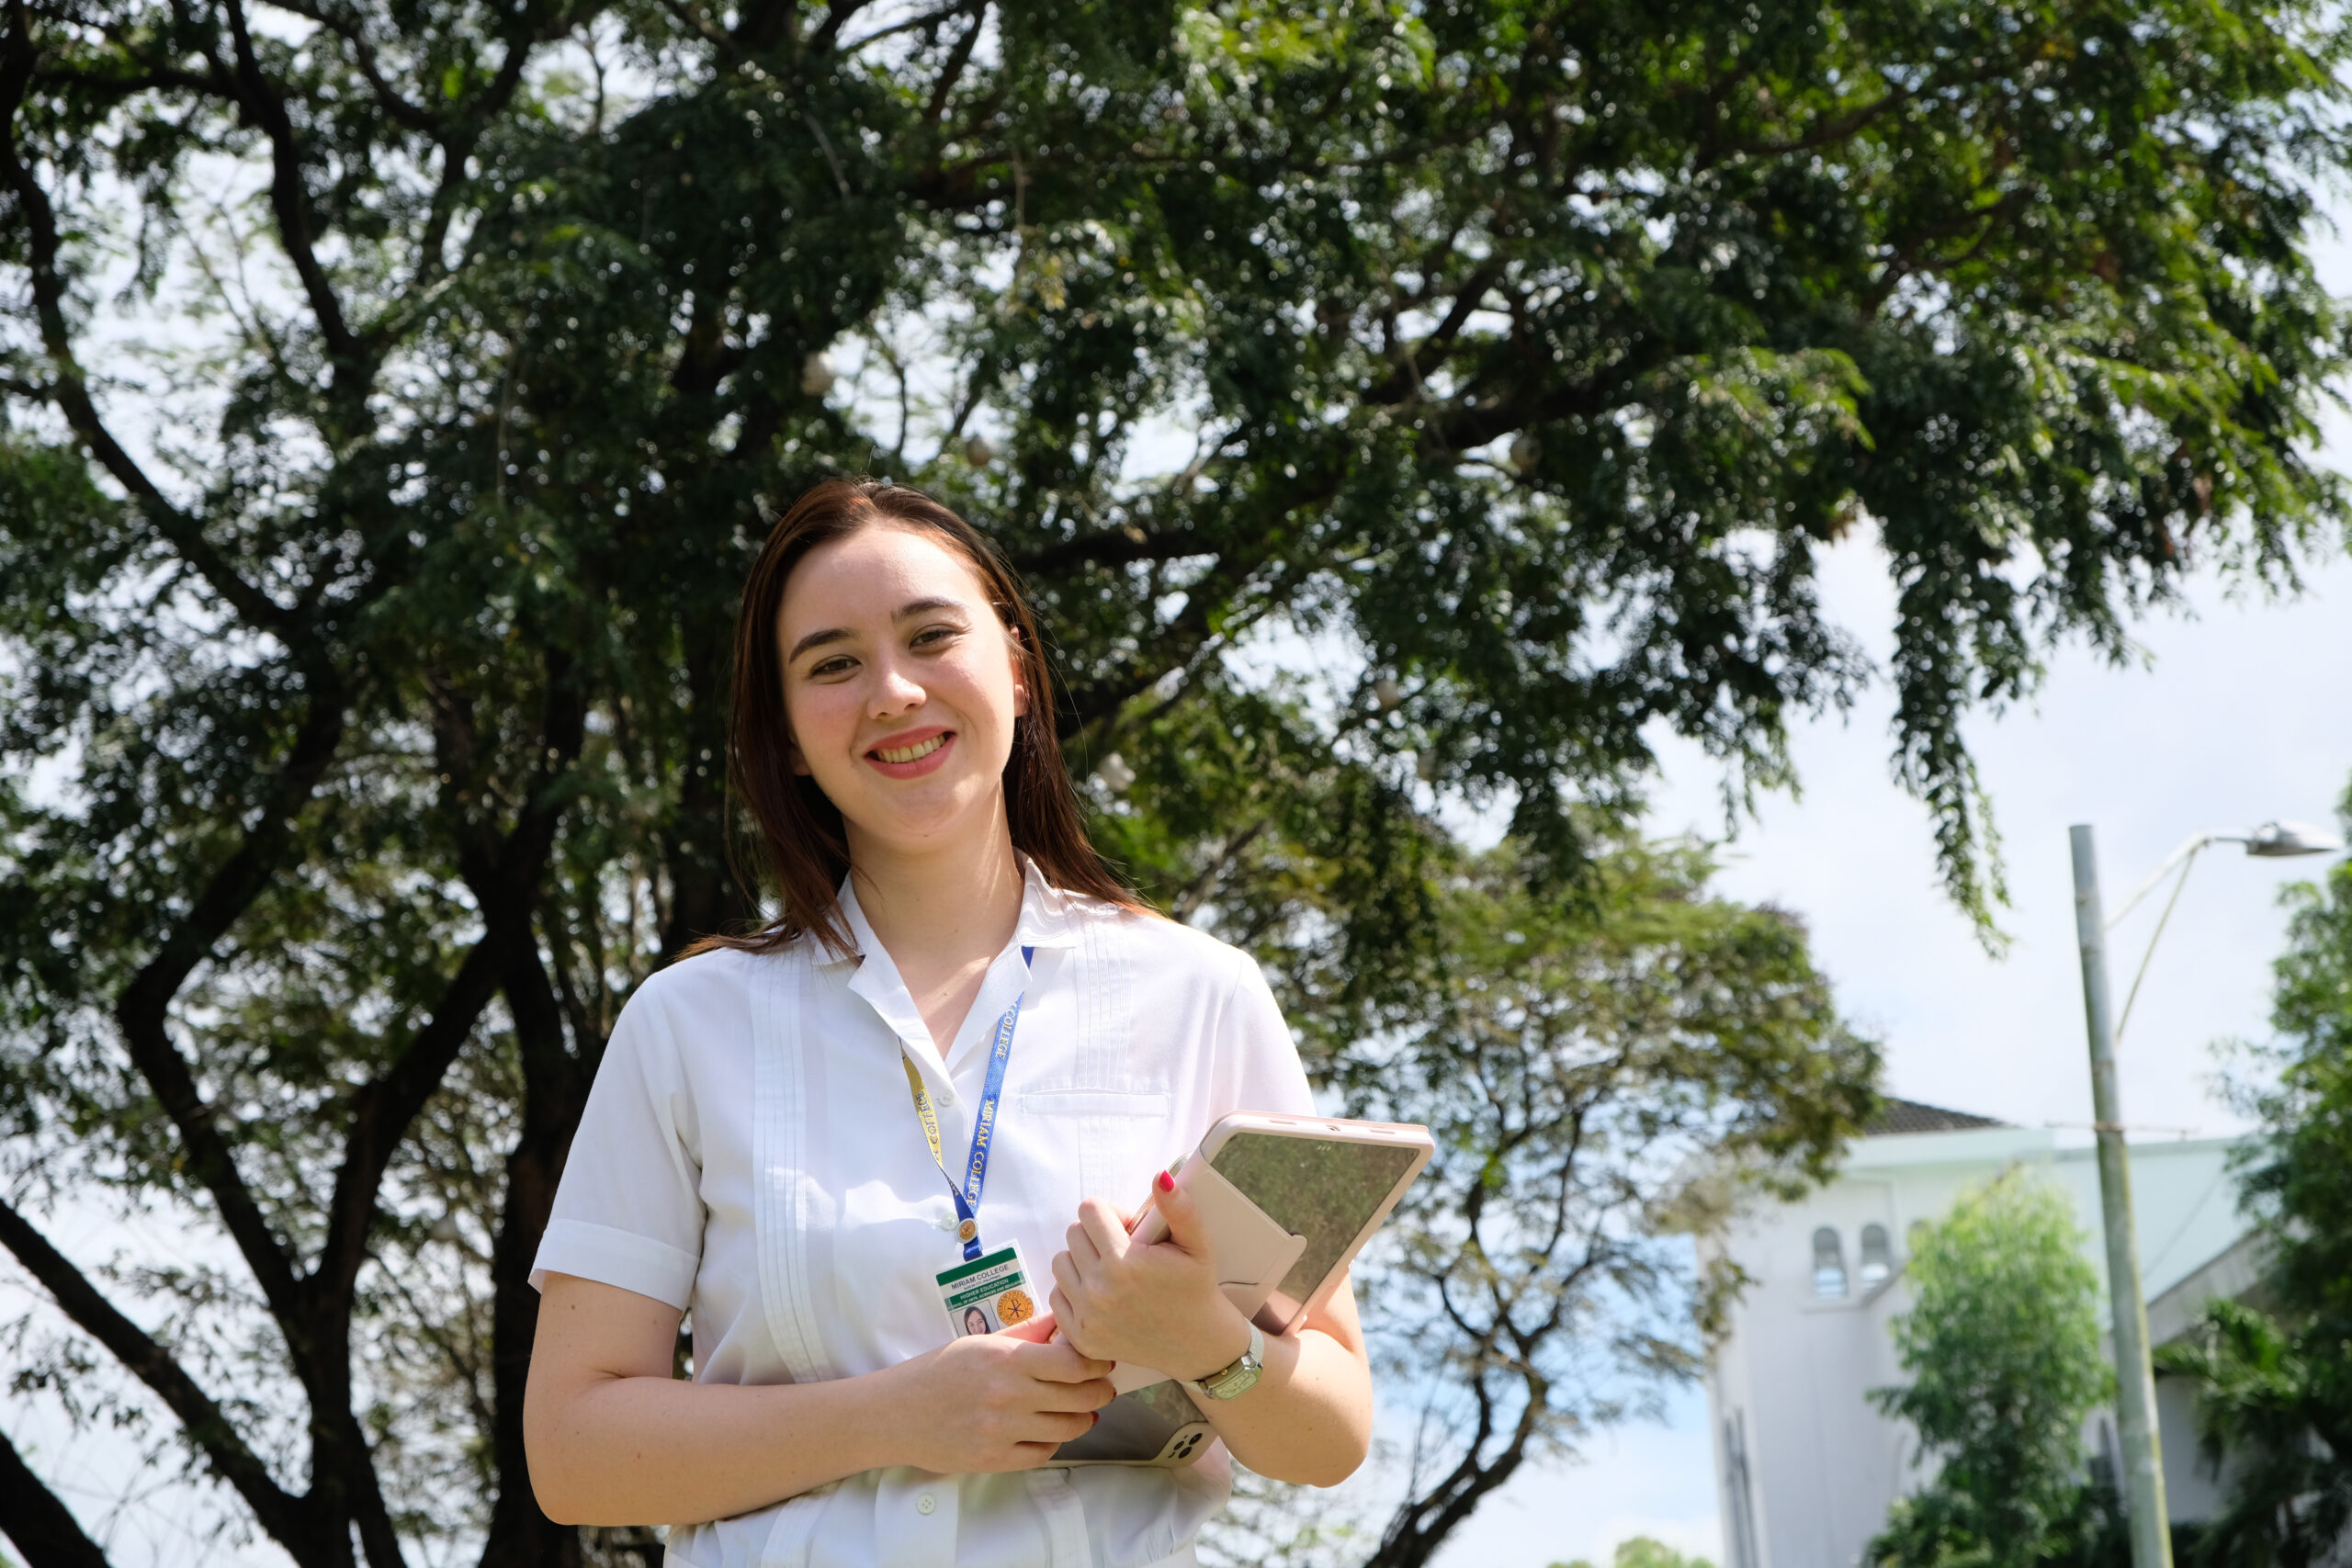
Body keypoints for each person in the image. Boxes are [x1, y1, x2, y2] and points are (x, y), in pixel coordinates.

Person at [522, 480, 1374, 1568]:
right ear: (787, 737)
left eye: (931, 637)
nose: (892, 691)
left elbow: (1331, 1436)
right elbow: (572, 1454)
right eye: (832, 664)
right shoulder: (687, 1022)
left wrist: (1207, 1342)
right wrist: (892, 1418)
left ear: (1014, 666)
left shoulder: (1200, 991)